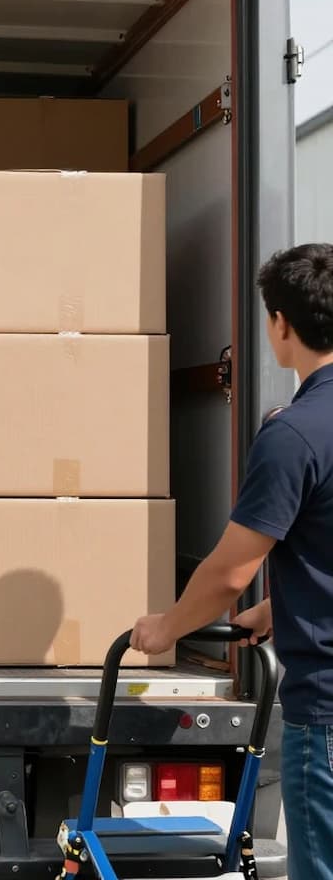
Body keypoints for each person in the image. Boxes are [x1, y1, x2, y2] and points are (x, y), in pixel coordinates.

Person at [130, 242, 333, 880]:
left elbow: (229, 572)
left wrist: (168, 628)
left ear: (280, 324)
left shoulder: (295, 434)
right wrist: (282, 607)